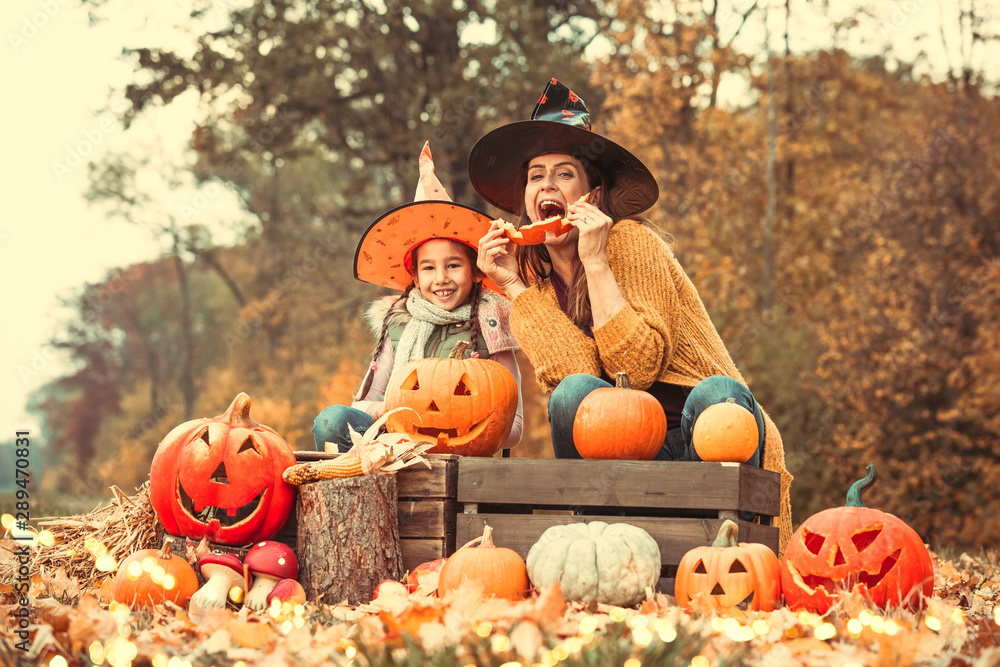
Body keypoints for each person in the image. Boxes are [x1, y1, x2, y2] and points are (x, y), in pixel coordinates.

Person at [470, 79, 793, 551]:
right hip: (633, 455)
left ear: (593, 195)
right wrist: (515, 286)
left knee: (718, 392)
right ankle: (598, 549)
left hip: (702, 430)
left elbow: (635, 370)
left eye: (564, 174)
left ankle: (732, 552)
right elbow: (578, 389)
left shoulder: (631, 243)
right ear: (524, 198)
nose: (547, 186)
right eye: (536, 176)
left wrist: (595, 262)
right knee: (574, 395)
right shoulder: (535, 287)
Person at [313, 142, 523, 453]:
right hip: (396, 446)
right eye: (429, 268)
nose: (441, 278)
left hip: (464, 453)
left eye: (453, 265)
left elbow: (516, 428)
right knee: (331, 420)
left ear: (476, 271)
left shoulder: (492, 324)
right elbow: (364, 402)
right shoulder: (398, 323)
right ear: (414, 276)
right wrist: (389, 410)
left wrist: (469, 415)